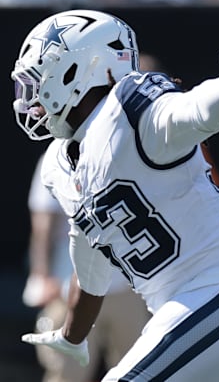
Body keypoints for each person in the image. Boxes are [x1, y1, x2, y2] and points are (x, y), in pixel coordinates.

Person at [10, 0, 219, 381]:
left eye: (40, 78)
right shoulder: (61, 163)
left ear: (79, 69)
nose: (31, 97)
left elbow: (196, 111)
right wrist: (73, 336)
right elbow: (89, 263)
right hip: (194, 306)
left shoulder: (132, 109)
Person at [23, 153, 151, 382]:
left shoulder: (121, 149)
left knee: (139, 370)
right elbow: (43, 225)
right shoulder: (56, 157)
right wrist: (41, 275)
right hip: (71, 284)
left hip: (123, 282)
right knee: (68, 374)